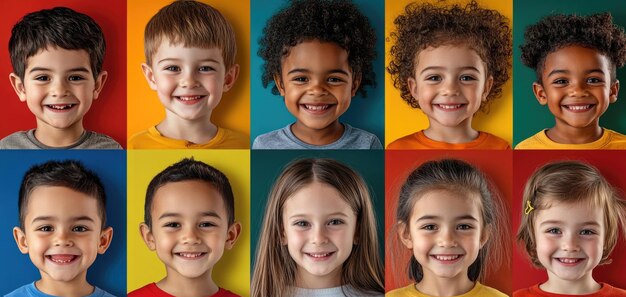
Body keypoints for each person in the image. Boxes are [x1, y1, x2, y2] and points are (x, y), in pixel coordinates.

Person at [250, 158, 384, 297]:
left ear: (357, 230)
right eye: (302, 223)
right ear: (282, 232)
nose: (318, 239)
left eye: (334, 222)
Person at [252, 0, 382, 149]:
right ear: (280, 83)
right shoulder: (264, 145)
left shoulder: (368, 144)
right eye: (301, 79)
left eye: (333, 79)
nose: (317, 90)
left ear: (354, 84)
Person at [385, 159, 511, 297]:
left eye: (464, 226)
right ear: (406, 234)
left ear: (483, 235)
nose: (447, 241)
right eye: (430, 226)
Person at [0, 160, 125, 297]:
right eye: (46, 228)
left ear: (103, 241)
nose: (62, 240)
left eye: (79, 228)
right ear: (23, 241)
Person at [127, 158, 248, 297]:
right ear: (149, 237)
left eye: (206, 224)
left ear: (230, 235)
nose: (190, 237)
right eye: (173, 225)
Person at [386, 1, 511, 149]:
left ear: (486, 87)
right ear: (414, 88)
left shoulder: (501, 147)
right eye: (434, 78)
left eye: (466, 78)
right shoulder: (398, 148)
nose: (450, 90)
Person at [128, 0, 249, 149]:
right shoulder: (134, 146)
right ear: (151, 77)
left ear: (228, 78)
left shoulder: (244, 145)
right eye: (173, 68)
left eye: (205, 68)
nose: (189, 81)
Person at [1, 7, 121, 149]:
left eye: (75, 78)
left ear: (97, 85)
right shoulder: (6, 149)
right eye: (43, 77)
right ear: (21, 87)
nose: (59, 91)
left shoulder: (110, 150)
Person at [514, 161, 626, 297]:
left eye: (586, 232)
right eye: (554, 230)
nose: (570, 245)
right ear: (532, 237)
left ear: (606, 238)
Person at [515, 13, 626, 149]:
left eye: (593, 80)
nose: (578, 91)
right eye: (561, 81)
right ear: (541, 93)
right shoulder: (525, 149)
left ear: (613, 91)